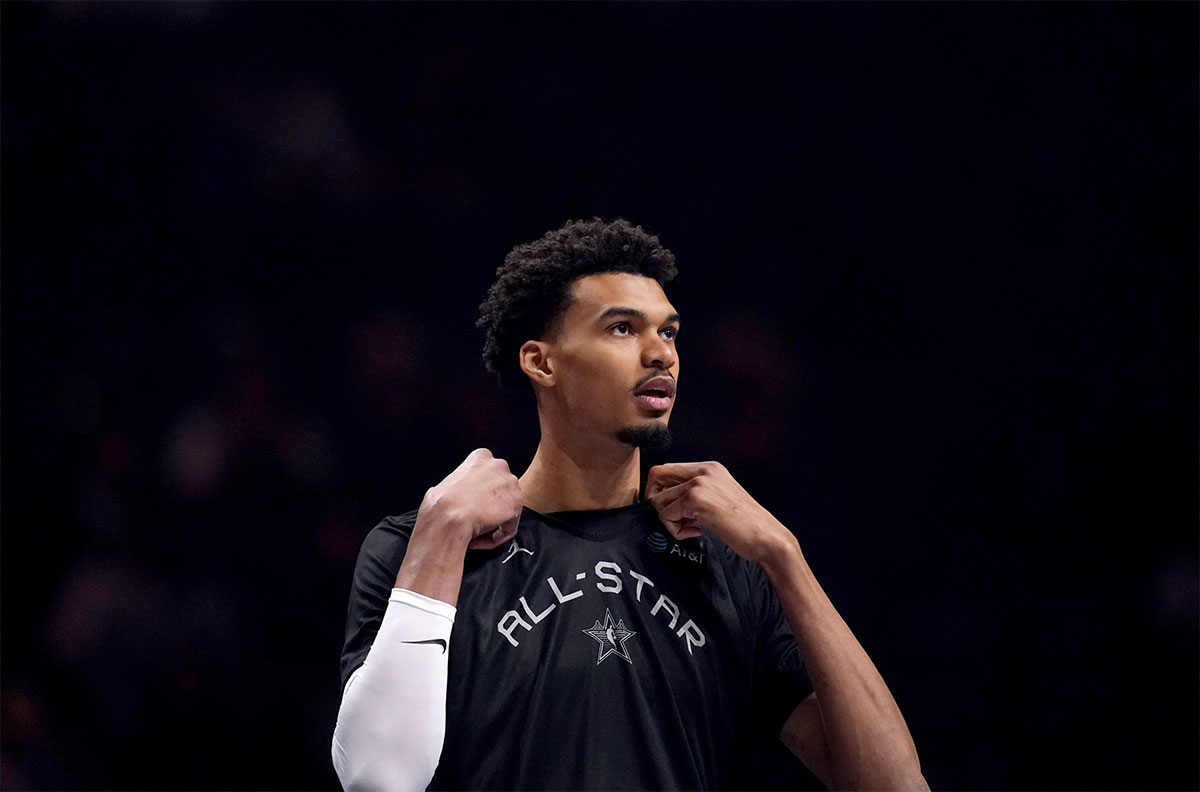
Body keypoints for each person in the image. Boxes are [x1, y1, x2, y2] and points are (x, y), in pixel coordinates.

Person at [332, 218, 928, 791]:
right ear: (541, 362)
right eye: (623, 328)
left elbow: (893, 785)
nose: (661, 353)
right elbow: (378, 778)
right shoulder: (427, 546)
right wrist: (440, 533)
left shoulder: (729, 565)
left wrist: (783, 556)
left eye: (668, 332)